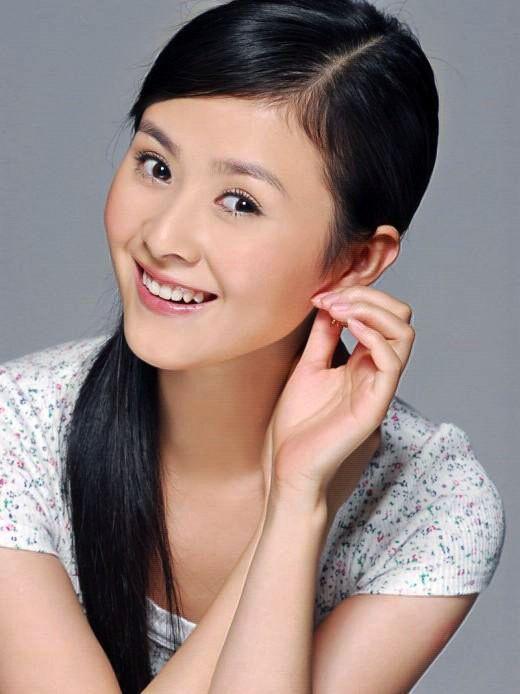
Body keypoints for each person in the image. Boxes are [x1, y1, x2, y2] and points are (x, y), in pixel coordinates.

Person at [0, 1, 506, 692]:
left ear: (357, 261)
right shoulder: (19, 430)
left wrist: (298, 499)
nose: (163, 237)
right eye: (156, 165)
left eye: (239, 202)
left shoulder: (433, 503)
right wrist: (286, 515)